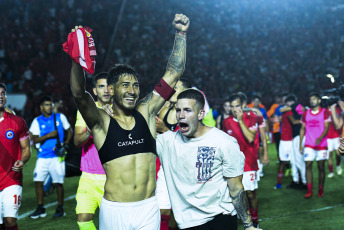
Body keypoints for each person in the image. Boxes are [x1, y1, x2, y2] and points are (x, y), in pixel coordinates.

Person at [68, 14, 189, 230]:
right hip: (115, 210)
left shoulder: (147, 111)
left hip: (148, 208)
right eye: (125, 85)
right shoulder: (101, 122)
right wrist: (77, 61)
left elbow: (173, 74)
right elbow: (79, 94)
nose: (132, 91)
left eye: (135, 85)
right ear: (112, 90)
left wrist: (181, 34)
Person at [157, 89, 260, 230]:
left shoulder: (224, 142)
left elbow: (236, 189)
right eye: (178, 110)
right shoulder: (168, 142)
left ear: (200, 114)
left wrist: (249, 226)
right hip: (188, 223)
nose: (181, 115)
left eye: (187, 110)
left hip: (220, 220)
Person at [74, 72, 111, 230]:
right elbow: (76, 141)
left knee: (111, 224)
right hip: (88, 176)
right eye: (101, 86)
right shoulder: (85, 112)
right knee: (83, 220)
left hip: (111, 176)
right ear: (95, 91)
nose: (106, 90)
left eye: (109, 87)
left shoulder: (120, 112)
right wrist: (90, 129)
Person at [155, 78, 191, 230]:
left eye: (176, 87)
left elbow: (188, 144)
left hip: (183, 170)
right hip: (164, 167)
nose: (172, 89)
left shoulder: (190, 114)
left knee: (179, 216)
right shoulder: (165, 111)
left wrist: (165, 130)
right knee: (162, 210)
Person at [29, 96, 73, 218]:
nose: (49, 107)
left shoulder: (60, 117)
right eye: (46, 105)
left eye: (50, 104)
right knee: (38, 182)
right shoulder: (37, 121)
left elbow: (70, 131)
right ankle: (40, 208)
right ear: (41, 107)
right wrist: (49, 135)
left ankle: (60, 208)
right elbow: (35, 139)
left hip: (56, 157)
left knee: (58, 183)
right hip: (42, 157)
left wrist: (66, 145)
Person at [223, 93, 261, 228]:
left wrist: (240, 121)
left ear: (243, 105)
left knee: (251, 194)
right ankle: (241, 220)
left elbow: (251, 138)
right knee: (235, 195)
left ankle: (255, 222)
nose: (235, 109)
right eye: (232, 106)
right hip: (233, 164)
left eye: (237, 106)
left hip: (249, 162)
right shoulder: (226, 122)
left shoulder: (251, 118)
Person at [0, 83, 31, 230]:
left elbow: (26, 149)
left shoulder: (17, 122)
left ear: (6, 97)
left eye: (2, 93)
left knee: (10, 221)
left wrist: (22, 160)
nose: (0, 96)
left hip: (11, 179)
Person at [300, 92, 330, 198]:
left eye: (314, 99)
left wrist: (320, 138)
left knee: (321, 167)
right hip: (309, 144)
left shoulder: (325, 112)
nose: (312, 101)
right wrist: (300, 144)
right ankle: (309, 190)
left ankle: (320, 190)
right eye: (310, 99)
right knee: (308, 165)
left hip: (322, 145)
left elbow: (327, 127)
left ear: (319, 101)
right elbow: (302, 128)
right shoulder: (305, 113)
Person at [327, 103, 342, 178]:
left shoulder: (338, 110)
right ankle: (331, 171)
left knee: (338, 154)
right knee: (329, 155)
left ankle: (338, 165)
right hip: (327, 137)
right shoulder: (324, 110)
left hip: (336, 135)